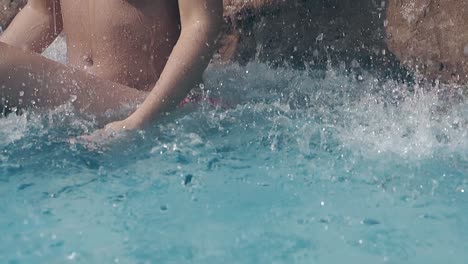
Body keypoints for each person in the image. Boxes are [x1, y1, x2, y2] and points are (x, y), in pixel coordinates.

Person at [0, 0, 223, 139]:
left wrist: (138, 122)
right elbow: (44, 13)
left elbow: (201, 24)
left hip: (146, 104)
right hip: (77, 104)